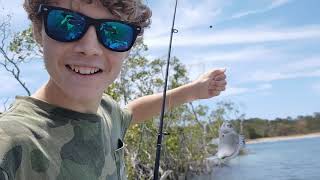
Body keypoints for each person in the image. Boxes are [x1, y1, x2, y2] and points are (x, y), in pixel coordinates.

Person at [0, 0, 227, 179]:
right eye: (66, 23)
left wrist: (194, 91)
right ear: (39, 31)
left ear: (128, 49)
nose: (89, 48)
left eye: (115, 32)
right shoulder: (10, 143)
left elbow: (131, 112)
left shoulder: (107, 110)